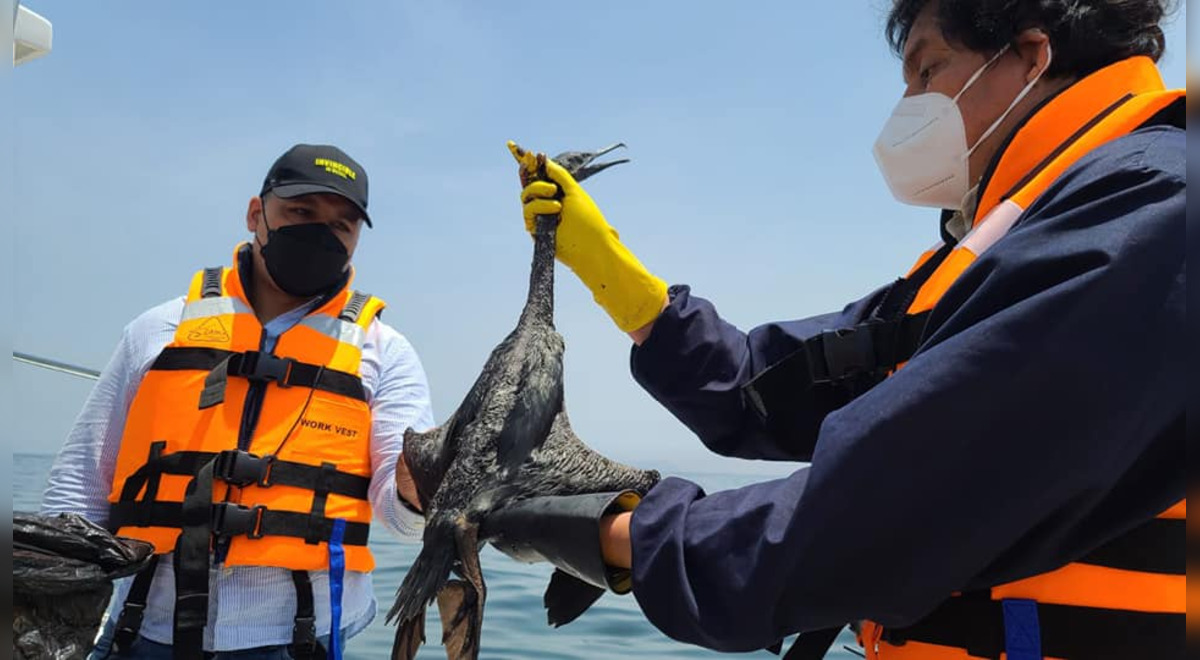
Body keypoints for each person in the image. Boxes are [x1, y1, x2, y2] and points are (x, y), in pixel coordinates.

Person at [503, 1, 1185, 658]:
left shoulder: (1151, 210)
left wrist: (609, 531)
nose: (909, 106)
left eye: (927, 70)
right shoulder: (1005, 243)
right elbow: (767, 385)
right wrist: (615, 275)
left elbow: (886, 511)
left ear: (1032, 56)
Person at [40, 144, 435, 660]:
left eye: (342, 225)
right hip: (139, 630)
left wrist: (419, 484)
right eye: (300, 212)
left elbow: (406, 522)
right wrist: (52, 618)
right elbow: (78, 488)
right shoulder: (156, 331)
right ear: (256, 213)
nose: (321, 232)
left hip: (297, 638)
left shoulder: (387, 353)